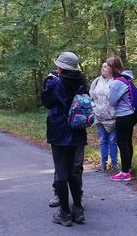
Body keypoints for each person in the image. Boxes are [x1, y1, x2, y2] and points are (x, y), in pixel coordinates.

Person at [41, 51, 88, 227]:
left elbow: (46, 102)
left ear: (60, 67)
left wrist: (48, 81)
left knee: (61, 172)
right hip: (77, 129)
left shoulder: (55, 81)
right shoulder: (82, 81)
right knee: (74, 171)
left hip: (59, 131)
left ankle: (64, 213)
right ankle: (78, 208)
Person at [108, 60, 137, 182]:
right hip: (132, 114)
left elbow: (111, 102)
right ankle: (128, 168)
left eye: (108, 66)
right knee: (127, 142)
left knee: (122, 143)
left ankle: (125, 172)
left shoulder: (117, 83)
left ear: (113, 68)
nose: (106, 68)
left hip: (123, 116)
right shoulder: (126, 79)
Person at [90, 60, 118, 171]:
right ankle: (103, 164)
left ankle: (115, 164)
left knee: (112, 140)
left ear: (111, 69)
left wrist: (115, 113)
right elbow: (91, 96)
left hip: (112, 118)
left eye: (106, 67)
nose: (103, 68)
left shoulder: (115, 81)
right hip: (99, 116)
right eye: (102, 66)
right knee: (102, 140)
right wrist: (93, 108)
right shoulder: (96, 81)